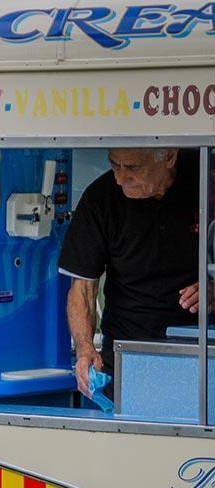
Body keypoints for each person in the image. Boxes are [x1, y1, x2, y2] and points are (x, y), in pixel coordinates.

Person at [58, 147, 200, 398]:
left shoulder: (206, 179)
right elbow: (82, 289)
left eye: (133, 167)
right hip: (127, 356)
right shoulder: (100, 198)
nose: (120, 178)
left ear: (169, 156)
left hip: (202, 353)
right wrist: (84, 348)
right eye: (115, 165)